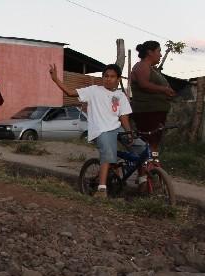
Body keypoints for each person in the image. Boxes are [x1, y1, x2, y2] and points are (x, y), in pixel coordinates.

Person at [49, 63, 132, 198]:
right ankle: (101, 189)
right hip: (100, 130)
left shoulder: (120, 95)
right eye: (106, 76)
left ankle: (143, 181)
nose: (108, 79)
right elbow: (70, 93)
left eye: (112, 77)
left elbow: (124, 117)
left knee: (140, 147)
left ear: (118, 79)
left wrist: (129, 133)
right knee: (107, 153)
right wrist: (56, 79)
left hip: (117, 128)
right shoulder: (94, 90)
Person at [130, 41, 176, 161]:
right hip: (146, 113)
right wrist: (164, 90)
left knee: (154, 144)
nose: (160, 55)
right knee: (147, 143)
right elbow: (144, 84)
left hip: (157, 113)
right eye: (159, 51)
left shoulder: (152, 69)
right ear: (150, 52)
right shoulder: (141, 66)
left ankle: (152, 169)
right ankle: (144, 174)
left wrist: (168, 93)